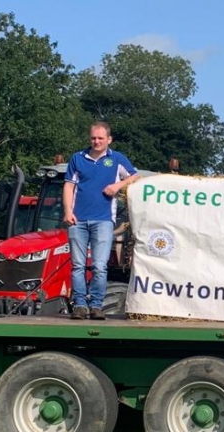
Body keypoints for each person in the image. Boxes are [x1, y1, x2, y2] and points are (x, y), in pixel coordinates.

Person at [63, 121, 140, 320]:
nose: (96, 141)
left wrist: (117, 186)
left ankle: (97, 305)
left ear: (109, 139)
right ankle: (80, 304)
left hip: (104, 220)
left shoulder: (116, 159)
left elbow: (134, 176)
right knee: (78, 265)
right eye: (93, 138)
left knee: (99, 265)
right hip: (78, 220)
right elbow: (69, 186)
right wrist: (67, 212)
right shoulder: (77, 158)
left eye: (100, 138)